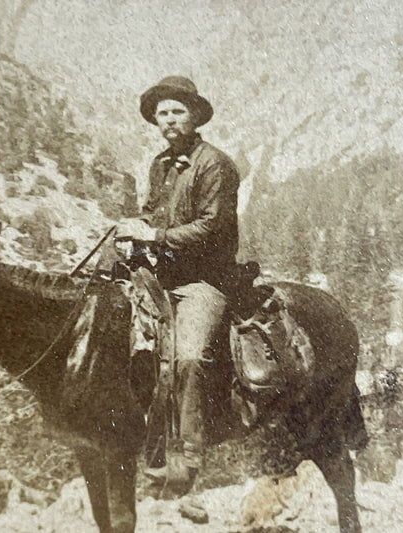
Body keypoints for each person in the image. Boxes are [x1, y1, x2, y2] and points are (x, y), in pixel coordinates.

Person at [116, 76, 240, 490]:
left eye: (176, 112)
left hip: (204, 280)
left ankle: (189, 456)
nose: (168, 120)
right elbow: (154, 213)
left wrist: (155, 236)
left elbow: (212, 226)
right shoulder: (161, 165)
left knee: (187, 358)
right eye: (162, 113)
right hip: (162, 278)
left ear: (194, 116)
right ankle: (148, 454)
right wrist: (137, 225)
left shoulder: (215, 164)